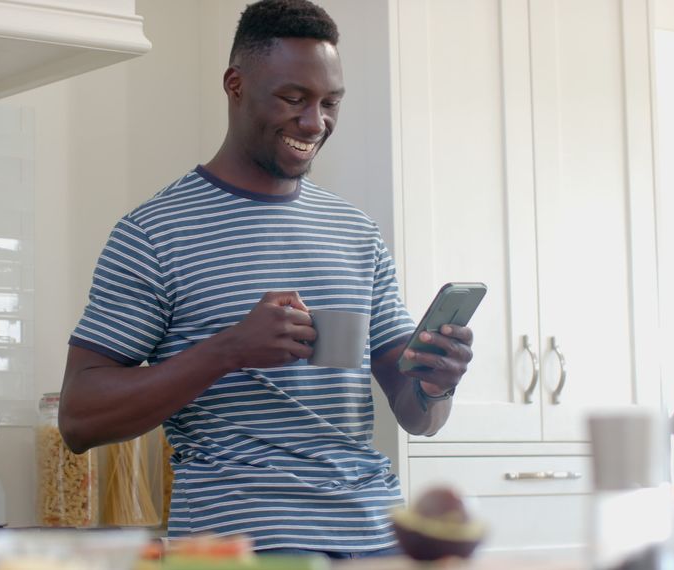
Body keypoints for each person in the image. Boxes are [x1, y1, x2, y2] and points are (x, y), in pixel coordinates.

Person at [59, 0, 475, 558]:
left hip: (376, 540)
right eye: (293, 98)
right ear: (235, 84)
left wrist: (434, 381)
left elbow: (417, 415)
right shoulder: (153, 234)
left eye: (330, 103)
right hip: (242, 547)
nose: (314, 122)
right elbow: (79, 417)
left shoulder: (356, 232)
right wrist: (228, 349)